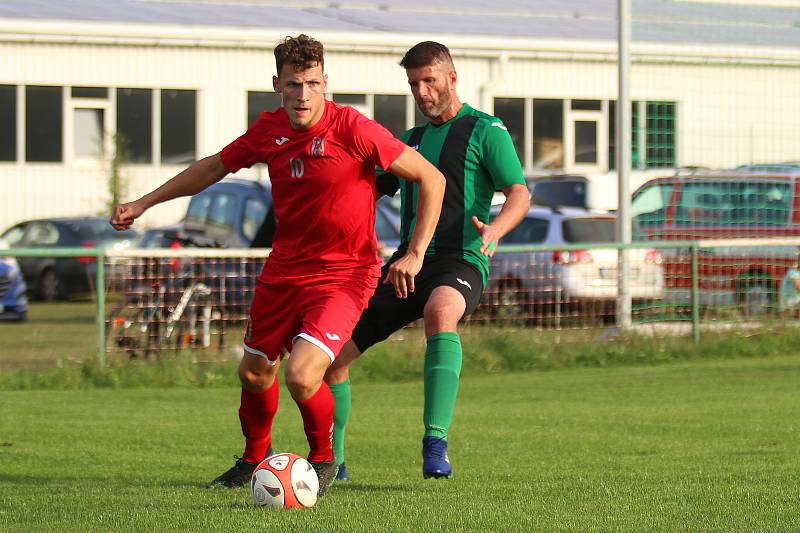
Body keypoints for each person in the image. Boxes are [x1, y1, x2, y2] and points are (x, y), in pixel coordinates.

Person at [110, 34, 445, 496]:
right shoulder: (268, 131)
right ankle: (252, 461)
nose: (302, 95)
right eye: (293, 85)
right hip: (284, 271)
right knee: (252, 372)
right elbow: (212, 168)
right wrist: (144, 202)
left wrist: (415, 252)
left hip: (344, 275)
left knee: (303, 374)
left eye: (311, 83)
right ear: (277, 85)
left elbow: (432, 177)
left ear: (324, 82)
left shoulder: (354, 129)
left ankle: (323, 461)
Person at [324, 41, 530, 481]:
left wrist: (495, 229)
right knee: (329, 356)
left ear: (452, 78)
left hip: (460, 259)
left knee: (441, 311)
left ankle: (435, 441)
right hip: (406, 267)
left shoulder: (485, 130)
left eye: (429, 81)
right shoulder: (409, 142)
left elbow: (519, 192)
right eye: (414, 84)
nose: (421, 92)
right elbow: (367, 191)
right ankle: (331, 462)